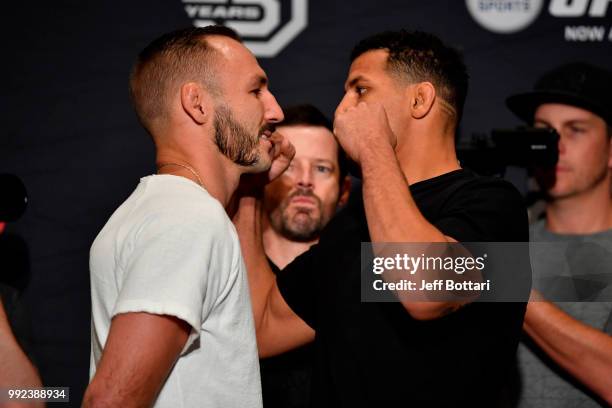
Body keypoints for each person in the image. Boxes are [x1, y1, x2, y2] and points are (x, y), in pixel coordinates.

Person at [234, 30, 530, 407]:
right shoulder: (352, 222)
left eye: (360, 90)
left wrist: (374, 144)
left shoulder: (493, 205)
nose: (342, 109)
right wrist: (250, 191)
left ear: (420, 100)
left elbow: (425, 290)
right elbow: (261, 328)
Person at [83, 26, 293, 407]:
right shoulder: (188, 218)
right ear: (197, 103)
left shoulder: (159, 210)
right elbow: (112, 399)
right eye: (256, 90)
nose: (276, 110)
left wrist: (248, 192)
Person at [506, 62, 612, 407]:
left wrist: (503, 283)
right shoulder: (505, 245)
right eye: (544, 132)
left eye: (575, 130)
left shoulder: (496, 264)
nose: (555, 146)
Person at [260, 104, 350, 408]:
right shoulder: (222, 269)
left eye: (322, 168)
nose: (305, 181)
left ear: (344, 191)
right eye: (290, 165)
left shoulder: (363, 277)